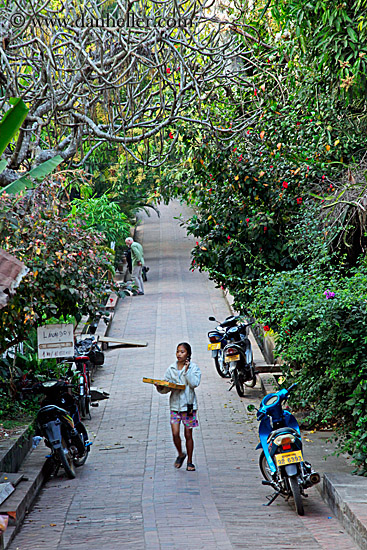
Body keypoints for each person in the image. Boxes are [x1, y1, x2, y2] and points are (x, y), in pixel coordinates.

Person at [156, 343, 201, 471]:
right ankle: (181, 454)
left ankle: (190, 461)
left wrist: (186, 372)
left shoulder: (194, 368)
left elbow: (194, 383)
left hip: (189, 406)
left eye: (182, 352)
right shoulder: (171, 369)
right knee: (175, 433)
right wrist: (161, 387)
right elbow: (167, 387)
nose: (179, 354)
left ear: (188, 354)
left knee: (188, 434)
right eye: (178, 352)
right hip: (175, 405)